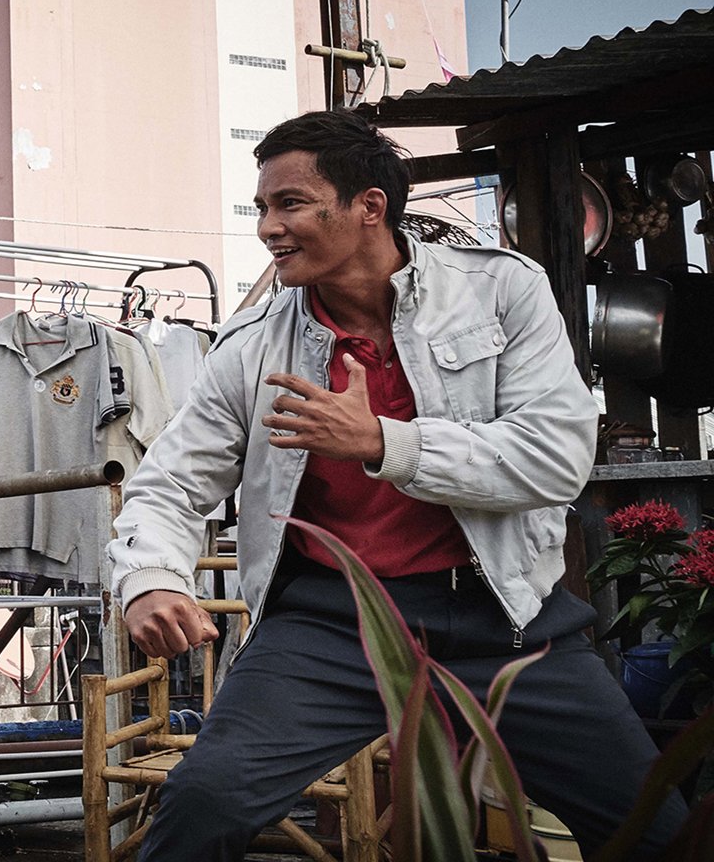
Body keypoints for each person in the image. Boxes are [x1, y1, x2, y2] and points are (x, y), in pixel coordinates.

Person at [106, 110, 688, 859]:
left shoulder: (502, 292)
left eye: (290, 204)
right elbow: (171, 484)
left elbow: (556, 456)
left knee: (656, 829)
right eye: (262, 207)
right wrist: (152, 578)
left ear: (369, 206)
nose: (267, 228)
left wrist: (385, 442)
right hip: (329, 627)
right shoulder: (251, 346)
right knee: (203, 803)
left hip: (505, 621)